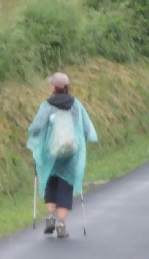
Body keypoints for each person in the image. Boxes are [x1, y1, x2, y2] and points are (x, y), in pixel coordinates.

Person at [26, 72, 98, 238]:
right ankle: (61, 224)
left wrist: (35, 135)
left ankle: (50, 216)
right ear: (66, 87)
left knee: (51, 179)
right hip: (71, 153)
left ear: (54, 87)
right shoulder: (76, 105)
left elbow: (35, 128)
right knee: (66, 183)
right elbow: (87, 129)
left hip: (50, 152)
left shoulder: (47, 105)